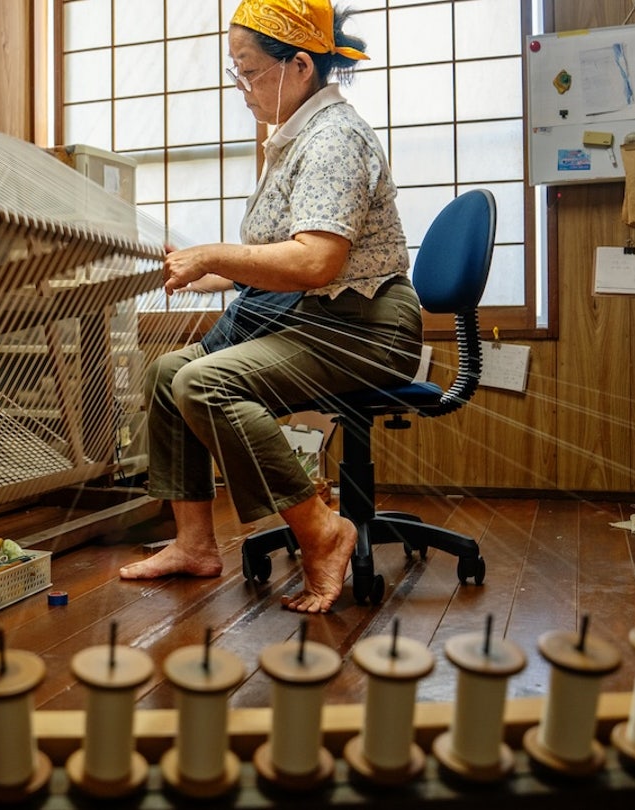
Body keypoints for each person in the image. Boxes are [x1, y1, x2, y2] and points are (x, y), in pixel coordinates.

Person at [119, 0, 425, 614]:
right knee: (165, 375)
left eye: (250, 70)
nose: (243, 87)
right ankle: (195, 544)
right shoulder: (294, 137)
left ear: (301, 66)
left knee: (206, 383)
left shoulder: (333, 138)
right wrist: (219, 273)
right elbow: (286, 258)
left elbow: (316, 262)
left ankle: (323, 531)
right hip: (315, 316)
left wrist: (213, 253)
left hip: (365, 325)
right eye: (237, 71)